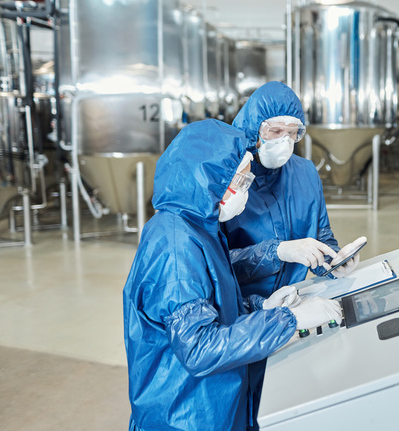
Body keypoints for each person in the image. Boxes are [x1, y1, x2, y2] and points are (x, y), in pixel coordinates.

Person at [123, 119, 341, 431]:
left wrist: (261, 308)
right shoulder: (174, 248)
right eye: (241, 180)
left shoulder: (198, 227)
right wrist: (288, 320)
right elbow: (199, 348)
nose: (246, 188)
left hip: (214, 406)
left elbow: (213, 306)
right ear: (210, 179)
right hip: (185, 417)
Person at [223, 82, 365, 430]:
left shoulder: (304, 173)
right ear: (254, 127)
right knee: (242, 409)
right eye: (275, 131)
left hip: (297, 309)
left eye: (293, 132)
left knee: (285, 405)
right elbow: (216, 265)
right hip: (243, 319)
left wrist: (335, 263)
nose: (284, 140)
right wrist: (280, 251)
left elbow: (321, 236)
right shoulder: (232, 179)